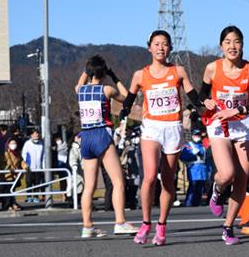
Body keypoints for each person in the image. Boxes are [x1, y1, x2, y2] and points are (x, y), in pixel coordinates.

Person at [119, 30, 200, 246]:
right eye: (156, 44)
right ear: (149, 48)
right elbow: (129, 97)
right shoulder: (140, 74)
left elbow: (193, 94)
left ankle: (162, 225)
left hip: (173, 127)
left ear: (170, 48)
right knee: (149, 177)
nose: (161, 48)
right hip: (152, 128)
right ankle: (146, 223)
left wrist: (202, 106)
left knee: (168, 180)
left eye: (165, 44)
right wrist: (124, 111)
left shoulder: (178, 71)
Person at [199, 26, 249, 245]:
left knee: (242, 179)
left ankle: (228, 227)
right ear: (221, 45)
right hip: (219, 123)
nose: (233, 46)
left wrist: (240, 110)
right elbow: (202, 93)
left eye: (237, 41)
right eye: (228, 42)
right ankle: (217, 188)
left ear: (242, 45)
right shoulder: (212, 68)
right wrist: (205, 101)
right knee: (227, 173)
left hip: (242, 125)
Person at [75, 55, 138, 238]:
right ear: (104, 73)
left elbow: (80, 82)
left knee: (89, 186)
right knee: (118, 181)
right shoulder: (107, 90)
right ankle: (120, 222)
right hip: (101, 134)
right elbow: (127, 98)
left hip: (85, 137)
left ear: (88, 72)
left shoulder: (80, 90)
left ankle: (87, 226)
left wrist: (86, 71)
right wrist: (115, 76)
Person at [180, 128, 208, 207]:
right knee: (193, 185)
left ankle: (197, 202)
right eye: (196, 135)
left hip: (202, 168)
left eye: (198, 135)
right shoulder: (188, 146)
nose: (197, 136)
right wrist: (192, 154)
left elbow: (206, 157)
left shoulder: (202, 145)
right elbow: (183, 157)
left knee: (200, 186)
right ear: (192, 136)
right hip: (193, 168)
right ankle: (189, 202)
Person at [21, 128, 44, 203]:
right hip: (29, 167)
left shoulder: (41, 143)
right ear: (31, 135)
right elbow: (24, 154)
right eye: (35, 133)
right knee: (29, 182)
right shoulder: (27, 143)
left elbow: (43, 156)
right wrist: (26, 163)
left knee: (37, 183)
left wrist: (42, 166)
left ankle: (36, 197)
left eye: (37, 133)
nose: (37, 135)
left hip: (38, 167)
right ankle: (29, 197)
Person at [2, 137, 24, 211]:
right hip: (8, 175)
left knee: (12, 190)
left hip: (16, 175)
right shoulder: (6, 153)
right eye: (11, 143)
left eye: (14, 143)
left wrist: (26, 167)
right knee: (8, 190)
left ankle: (12, 203)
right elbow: (5, 163)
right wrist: (10, 168)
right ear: (8, 144)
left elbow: (21, 161)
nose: (13, 145)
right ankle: (8, 205)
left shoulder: (18, 153)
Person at [67, 133, 83, 208]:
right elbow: (73, 158)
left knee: (81, 186)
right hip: (75, 171)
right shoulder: (74, 148)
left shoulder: (81, 147)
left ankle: (78, 202)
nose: (80, 138)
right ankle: (72, 202)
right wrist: (74, 165)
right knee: (74, 186)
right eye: (78, 137)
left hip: (82, 171)